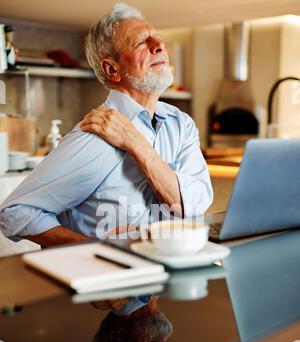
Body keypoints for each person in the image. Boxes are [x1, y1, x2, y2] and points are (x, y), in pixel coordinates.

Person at [0, 3, 213, 248]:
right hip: (112, 281)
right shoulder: (94, 136)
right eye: (142, 42)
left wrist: (135, 143)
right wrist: (93, 249)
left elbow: (194, 205)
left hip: (170, 274)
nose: (159, 46)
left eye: (158, 39)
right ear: (112, 69)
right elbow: (14, 212)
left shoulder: (181, 125)